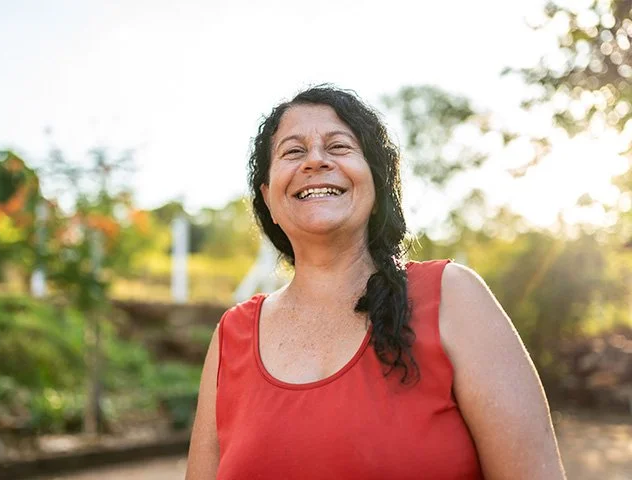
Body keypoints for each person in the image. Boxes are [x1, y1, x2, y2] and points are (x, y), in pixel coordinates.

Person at [186, 86, 566, 479]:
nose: (315, 160)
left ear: (376, 182)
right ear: (268, 199)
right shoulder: (233, 335)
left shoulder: (454, 297)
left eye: (339, 147)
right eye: (293, 151)